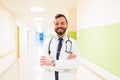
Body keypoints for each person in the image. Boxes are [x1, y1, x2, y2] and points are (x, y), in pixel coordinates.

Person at [40, 14, 80, 80]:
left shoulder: (73, 43)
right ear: (54, 26)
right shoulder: (47, 43)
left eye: (62, 23)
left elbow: (75, 64)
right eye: (56, 24)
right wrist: (66, 63)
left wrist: (52, 63)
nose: (59, 26)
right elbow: (44, 64)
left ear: (67, 25)